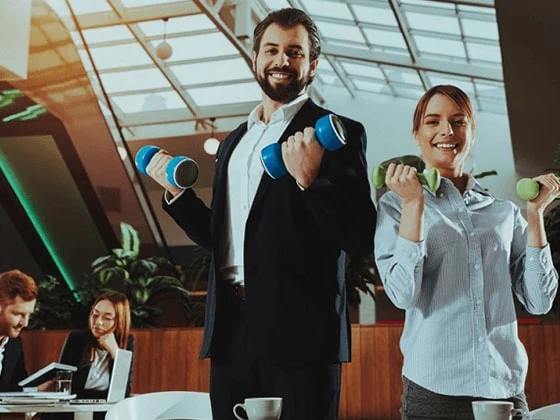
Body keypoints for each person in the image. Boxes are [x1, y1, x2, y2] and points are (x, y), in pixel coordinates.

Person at [146, 7, 376, 419]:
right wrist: (177, 194)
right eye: (271, 50)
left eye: (294, 52)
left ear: (313, 65)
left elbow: (359, 234)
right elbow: (222, 234)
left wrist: (310, 180)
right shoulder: (236, 143)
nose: (281, 61)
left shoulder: (339, 131)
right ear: (255, 59)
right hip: (232, 330)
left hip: (301, 335)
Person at [374, 84, 559, 419]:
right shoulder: (396, 206)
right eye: (433, 121)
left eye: (459, 121)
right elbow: (401, 293)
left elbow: (540, 300)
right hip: (432, 394)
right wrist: (414, 203)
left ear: (472, 132)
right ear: (417, 134)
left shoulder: (502, 212)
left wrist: (534, 215)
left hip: (503, 389)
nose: (447, 131)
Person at [45, 291, 134, 420]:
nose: (98, 322)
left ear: (120, 321)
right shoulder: (77, 339)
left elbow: (123, 393)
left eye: (107, 318)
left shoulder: (127, 342)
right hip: (73, 407)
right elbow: (63, 379)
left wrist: (116, 353)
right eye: (95, 314)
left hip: (104, 410)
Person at [0, 269, 39, 391]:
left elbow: (18, 385)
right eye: (18, 314)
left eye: (28, 315)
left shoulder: (14, 343)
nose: (25, 323)